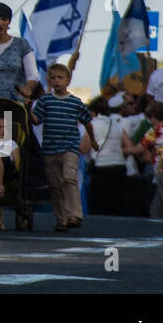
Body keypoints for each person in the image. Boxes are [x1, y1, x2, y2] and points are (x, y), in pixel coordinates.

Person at [30, 58, 95, 231]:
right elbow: (36, 121)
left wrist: (93, 140)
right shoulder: (45, 101)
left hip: (69, 147)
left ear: (68, 81)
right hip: (50, 148)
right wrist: (27, 108)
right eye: (53, 78)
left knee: (69, 177)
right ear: (49, 81)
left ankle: (75, 214)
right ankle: (61, 219)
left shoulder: (75, 102)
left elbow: (87, 121)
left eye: (60, 77)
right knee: (54, 185)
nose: (57, 81)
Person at [87, 96, 126, 216]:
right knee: (115, 205)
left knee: (99, 206)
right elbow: (127, 144)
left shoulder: (92, 124)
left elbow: (84, 147)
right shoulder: (116, 124)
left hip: (101, 167)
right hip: (119, 166)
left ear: (93, 111)